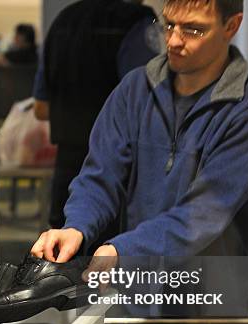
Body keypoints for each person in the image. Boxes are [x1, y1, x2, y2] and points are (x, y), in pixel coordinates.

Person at [31, 0, 248, 292]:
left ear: (232, 26)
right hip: (133, 289)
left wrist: (124, 251)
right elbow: (101, 175)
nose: (174, 41)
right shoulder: (134, 90)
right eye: (169, 25)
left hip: (209, 293)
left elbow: (205, 212)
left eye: (193, 30)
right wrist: (76, 226)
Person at [32, 0, 160, 237]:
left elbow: (41, 107)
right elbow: (145, 101)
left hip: (67, 170)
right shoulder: (136, 22)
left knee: (65, 260)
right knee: (115, 264)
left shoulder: (63, 21)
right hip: (120, 171)